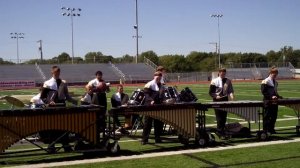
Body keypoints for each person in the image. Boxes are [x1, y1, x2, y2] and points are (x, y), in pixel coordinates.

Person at [39, 66, 77, 153]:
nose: (57, 73)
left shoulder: (63, 82)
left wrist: (74, 101)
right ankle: (51, 147)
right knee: (53, 127)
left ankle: (66, 146)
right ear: (52, 72)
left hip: (62, 106)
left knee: (64, 127)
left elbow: (66, 95)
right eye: (56, 72)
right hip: (52, 108)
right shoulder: (47, 83)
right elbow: (43, 97)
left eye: (58, 72)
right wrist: (49, 102)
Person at [209, 68, 234, 135]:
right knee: (219, 118)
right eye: (222, 74)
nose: (223, 75)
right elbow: (211, 92)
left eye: (224, 74)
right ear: (219, 73)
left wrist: (232, 96)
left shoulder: (228, 81)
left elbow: (230, 91)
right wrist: (216, 96)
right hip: (217, 101)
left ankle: (222, 130)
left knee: (224, 118)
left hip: (225, 101)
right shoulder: (214, 81)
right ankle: (219, 132)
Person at [141, 71, 164, 145]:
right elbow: (146, 94)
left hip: (158, 106)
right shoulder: (149, 84)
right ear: (154, 77)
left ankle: (158, 138)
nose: (158, 79)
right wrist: (151, 100)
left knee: (159, 123)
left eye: (159, 77)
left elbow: (162, 96)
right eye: (157, 77)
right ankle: (144, 139)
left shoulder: (161, 85)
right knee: (148, 124)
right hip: (149, 106)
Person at [261, 66, 282, 134]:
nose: (275, 75)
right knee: (267, 116)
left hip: (274, 102)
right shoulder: (265, 81)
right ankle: (265, 130)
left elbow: (275, 92)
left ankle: (271, 129)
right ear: (270, 73)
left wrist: (278, 96)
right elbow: (263, 92)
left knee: (274, 116)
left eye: (276, 73)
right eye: (274, 73)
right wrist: (271, 97)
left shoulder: (276, 82)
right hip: (267, 101)